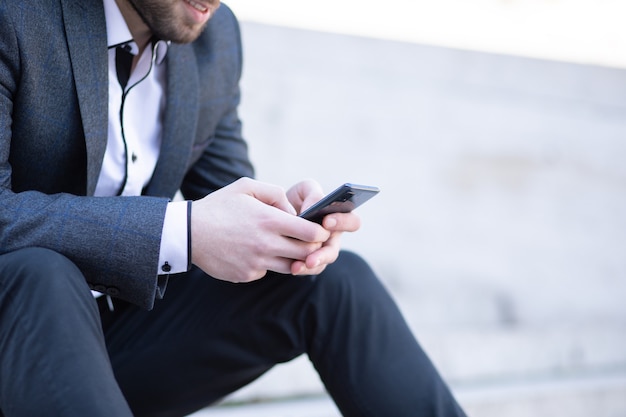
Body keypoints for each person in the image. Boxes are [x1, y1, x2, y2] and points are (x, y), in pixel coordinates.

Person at [0, 0, 467, 416]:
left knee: (335, 282)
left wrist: (285, 226)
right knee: (43, 272)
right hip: (17, 340)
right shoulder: (16, 15)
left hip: (113, 346)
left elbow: (229, 196)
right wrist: (183, 230)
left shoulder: (215, 38)